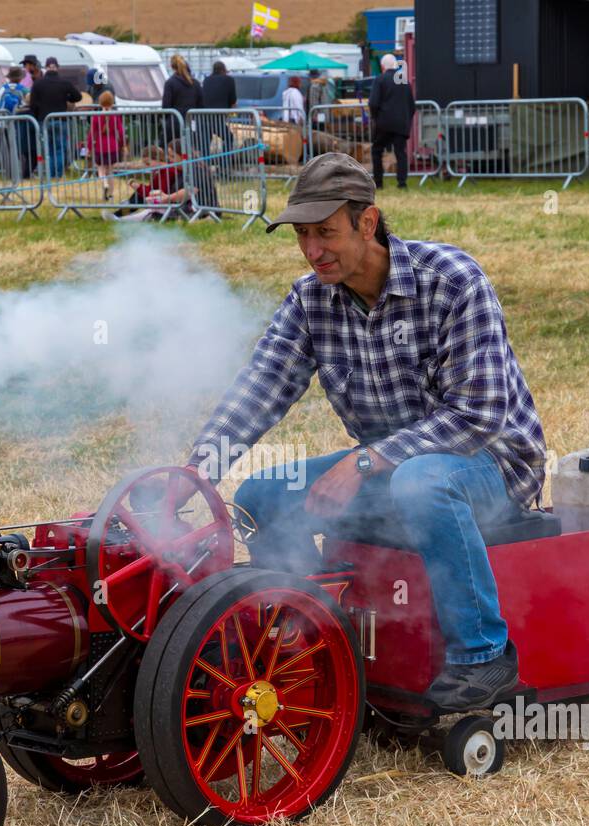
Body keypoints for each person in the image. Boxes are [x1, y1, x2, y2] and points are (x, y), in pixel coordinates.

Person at [186, 153, 546, 713]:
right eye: (302, 236)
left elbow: (479, 414)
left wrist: (364, 462)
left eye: (325, 233)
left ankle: (485, 657)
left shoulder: (452, 280)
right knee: (260, 496)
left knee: (422, 484)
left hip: (489, 465)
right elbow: (261, 388)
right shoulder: (310, 299)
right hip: (389, 469)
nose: (312, 251)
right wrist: (199, 469)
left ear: (368, 222)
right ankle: (302, 647)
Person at [368, 53, 416, 189]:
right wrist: (406, 120)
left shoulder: (380, 80)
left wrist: (375, 118)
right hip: (401, 124)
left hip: (384, 123)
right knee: (401, 153)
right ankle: (402, 183)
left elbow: (373, 103)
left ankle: (379, 183)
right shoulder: (404, 81)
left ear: (383, 66)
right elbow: (411, 105)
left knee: (377, 151)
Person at [28, 57, 81, 178]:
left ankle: (51, 175)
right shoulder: (65, 83)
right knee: (60, 149)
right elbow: (78, 97)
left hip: (44, 121)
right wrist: (67, 98)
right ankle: (58, 175)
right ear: (57, 67)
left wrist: (37, 118)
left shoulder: (38, 83)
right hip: (60, 120)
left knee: (48, 149)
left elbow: (33, 104)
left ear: (46, 68)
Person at [88, 90, 125, 202]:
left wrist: (89, 147)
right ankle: (111, 195)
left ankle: (104, 184)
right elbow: (121, 132)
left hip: (100, 147)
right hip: (113, 147)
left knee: (101, 170)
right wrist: (122, 145)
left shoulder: (96, 116)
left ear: (100, 103)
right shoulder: (115, 115)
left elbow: (92, 133)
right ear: (112, 103)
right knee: (110, 171)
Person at [200, 60, 238, 167]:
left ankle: (204, 168)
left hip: (203, 116)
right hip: (218, 116)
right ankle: (224, 166)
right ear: (223, 70)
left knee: (205, 143)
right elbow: (233, 99)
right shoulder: (229, 80)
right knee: (228, 137)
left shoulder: (206, 80)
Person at [162, 55, 203, 145]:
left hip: (174, 123)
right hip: (192, 123)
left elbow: (165, 106)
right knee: (191, 150)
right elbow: (201, 104)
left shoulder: (170, 83)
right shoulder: (195, 83)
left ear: (172, 67)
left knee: (169, 150)